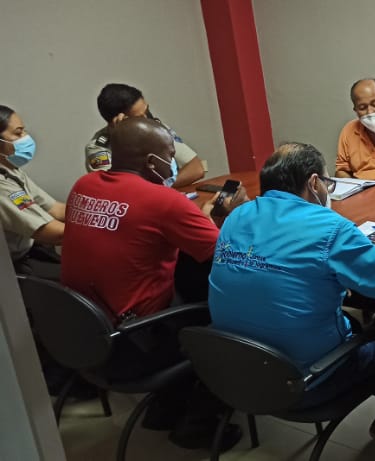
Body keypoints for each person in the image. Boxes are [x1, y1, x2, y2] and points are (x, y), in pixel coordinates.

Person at [209, 142, 375, 438]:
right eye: (328, 183)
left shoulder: (236, 217)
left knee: (353, 324)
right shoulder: (330, 228)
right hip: (302, 382)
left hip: (237, 370)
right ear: (314, 183)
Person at [62, 116, 247, 450]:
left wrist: (197, 218)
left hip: (83, 333)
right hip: (133, 343)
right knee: (234, 316)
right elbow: (226, 254)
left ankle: (165, 408)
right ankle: (198, 426)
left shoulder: (83, 186)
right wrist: (227, 217)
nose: (173, 161)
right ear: (152, 161)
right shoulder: (163, 201)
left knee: (189, 280)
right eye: (170, 154)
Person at [85, 83, 206, 188]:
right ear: (119, 121)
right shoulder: (98, 148)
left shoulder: (155, 130)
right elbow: (119, 190)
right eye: (139, 118)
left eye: (147, 111)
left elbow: (196, 169)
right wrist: (123, 142)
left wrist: (164, 189)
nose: (147, 120)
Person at [0, 105, 66, 278]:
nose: (26, 137)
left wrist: (93, 213)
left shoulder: (10, 170)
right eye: (18, 133)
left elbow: (56, 209)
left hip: (29, 251)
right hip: (11, 268)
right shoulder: (2, 185)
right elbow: (54, 233)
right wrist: (100, 231)